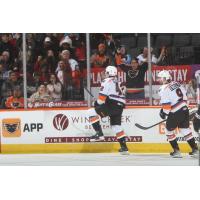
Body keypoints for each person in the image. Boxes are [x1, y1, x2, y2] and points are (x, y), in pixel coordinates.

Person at [88, 65, 129, 155]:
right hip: (120, 106)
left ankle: (99, 134)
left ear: (108, 73)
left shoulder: (106, 81)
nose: (105, 74)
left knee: (90, 111)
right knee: (116, 126)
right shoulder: (119, 81)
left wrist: (96, 103)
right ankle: (124, 148)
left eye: (106, 72)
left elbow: (101, 99)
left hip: (112, 104)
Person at [157, 70, 198, 158]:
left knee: (168, 130)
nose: (159, 80)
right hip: (185, 109)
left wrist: (164, 113)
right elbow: (185, 96)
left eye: (160, 78)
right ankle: (195, 150)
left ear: (165, 78)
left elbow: (167, 105)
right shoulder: (177, 83)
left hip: (175, 111)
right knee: (185, 130)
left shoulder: (163, 88)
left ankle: (177, 151)